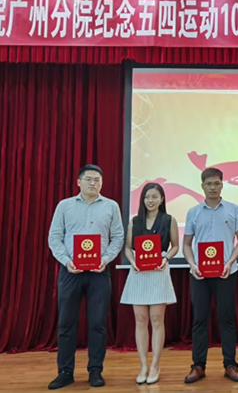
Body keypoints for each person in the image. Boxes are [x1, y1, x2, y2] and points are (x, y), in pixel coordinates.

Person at [47, 164, 124, 390]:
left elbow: (118, 237)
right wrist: (66, 261)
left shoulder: (111, 206)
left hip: (99, 272)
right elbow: (54, 237)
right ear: (79, 182)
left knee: (98, 324)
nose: (93, 183)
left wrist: (106, 259)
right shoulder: (65, 206)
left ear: (102, 183)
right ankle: (65, 372)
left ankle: (95, 370)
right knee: (66, 324)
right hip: (70, 272)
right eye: (89, 179)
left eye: (97, 180)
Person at [182, 168, 238, 383]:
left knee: (227, 319)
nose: (213, 187)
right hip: (200, 274)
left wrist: (230, 262)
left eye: (216, 183)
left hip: (226, 273)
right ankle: (198, 366)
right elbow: (186, 244)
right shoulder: (193, 212)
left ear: (222, 185)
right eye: (208, 184)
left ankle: (230, 365)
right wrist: (193, 264)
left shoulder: (233, 209)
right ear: (202, 186)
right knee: (199, 320)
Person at [120, 182, 179, 384]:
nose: (150, 200)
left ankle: (155, 365)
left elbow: (175, 246)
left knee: (156, 319)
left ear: (162, 199)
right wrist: (132, 261)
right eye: (147, 197)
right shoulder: (134, 221)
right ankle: (143, 365)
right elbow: (128, 248)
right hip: (139, 272)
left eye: (154, 197)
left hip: (158, 271)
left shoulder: (169, 220)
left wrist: (166, 259)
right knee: (140, 319)